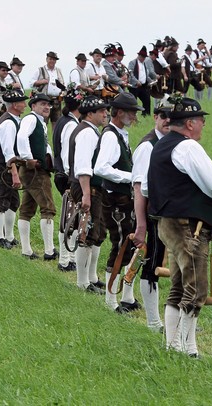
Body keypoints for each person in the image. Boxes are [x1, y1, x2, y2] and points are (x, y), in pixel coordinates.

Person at [148, 94, 212, 356]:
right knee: (195, 286)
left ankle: (172, 345)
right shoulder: (187, 147)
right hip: (189, 226)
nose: (202, 125)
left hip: (169, 223)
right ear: (189, 123)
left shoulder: (161, 145)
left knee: (177, 284)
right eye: (200, 120)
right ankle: (188, 348)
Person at [96, 92, 143, 313]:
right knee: (121, 246)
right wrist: (130, 177)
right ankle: (110, 301)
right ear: (120, 112)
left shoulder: (119, 134)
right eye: (132, 112)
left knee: (130, 246)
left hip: (123, 199)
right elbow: (101, 168)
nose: (134, 116)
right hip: (115, 200)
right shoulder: (110, 136)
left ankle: (127, 297)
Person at [133, 100, 172, 332]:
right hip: (152, 215)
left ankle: (174, 318)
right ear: (155, 117)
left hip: (169, 216)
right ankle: (153, 321)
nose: (167, 120)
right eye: (163, 115)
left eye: (172, 116)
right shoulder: (148, 146)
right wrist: (141, 224)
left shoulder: (170, 144)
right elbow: (139, 187)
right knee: (152, 265)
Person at [68, 95, 110, 293]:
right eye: (101, 111)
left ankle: (91, 277)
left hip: (90, 188)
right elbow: (83, 167)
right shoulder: (87, 133)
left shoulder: (89, 130)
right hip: (88, 188)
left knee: (97, 231)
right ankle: (82, 282)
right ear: (90, 114)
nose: (105, 114)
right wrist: (86, 194)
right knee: (87, 232)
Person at [15, 92, 58, 260]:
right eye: (42, 104)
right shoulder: (31, 119)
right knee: (48, 208)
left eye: (48, 104)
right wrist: (28, 158)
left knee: (27, 209)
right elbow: (21, 136)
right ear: (33, 106)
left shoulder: (40, 122)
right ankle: (49, 251)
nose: (46, 107)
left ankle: (26, 250)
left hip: (35, 170)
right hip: (35, 171)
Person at [0, 88, 28, 249]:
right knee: (2, 200)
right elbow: (8, 152)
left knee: (13, 202)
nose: (24, 104)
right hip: (5, 167)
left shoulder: (13, 120)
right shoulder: (8, 123)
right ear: (14, 105)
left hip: (9, 166)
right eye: (21, 101)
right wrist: (14, 172)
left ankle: (9, 236)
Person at [52, 87, 83, 272]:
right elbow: (66, 153)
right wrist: (71, 175)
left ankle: (68, 257)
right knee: (69, 217)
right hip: (67, 175)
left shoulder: (66, 121)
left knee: (72, 216)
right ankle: (65, 259)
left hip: (64, 174)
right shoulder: (71, 124)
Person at [30, 51, 66, 126]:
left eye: (54, 59)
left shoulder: (59, 70)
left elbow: (63, 85)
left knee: (57, 124)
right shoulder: (40, 70)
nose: (52, 61)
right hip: (45, 100)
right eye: (50, 59)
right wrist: (41, 82)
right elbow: (31, 83)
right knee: (43, 123)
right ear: (47, 59)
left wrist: (62, 95)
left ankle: (55, 138)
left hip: (57, 100)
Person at [127, 46, 156, 114]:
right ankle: (132, 115)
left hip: (143, 86)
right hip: (135, 86)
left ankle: (146, 114)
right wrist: (136, 81)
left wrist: (151, 81)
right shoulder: (132, 63)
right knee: (133, 102)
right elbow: (130, 74)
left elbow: (146, 75)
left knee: (147, 100)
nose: (143, 58)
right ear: (139, 55)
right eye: (142, 56)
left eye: (144, 57)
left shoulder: (144, 64)